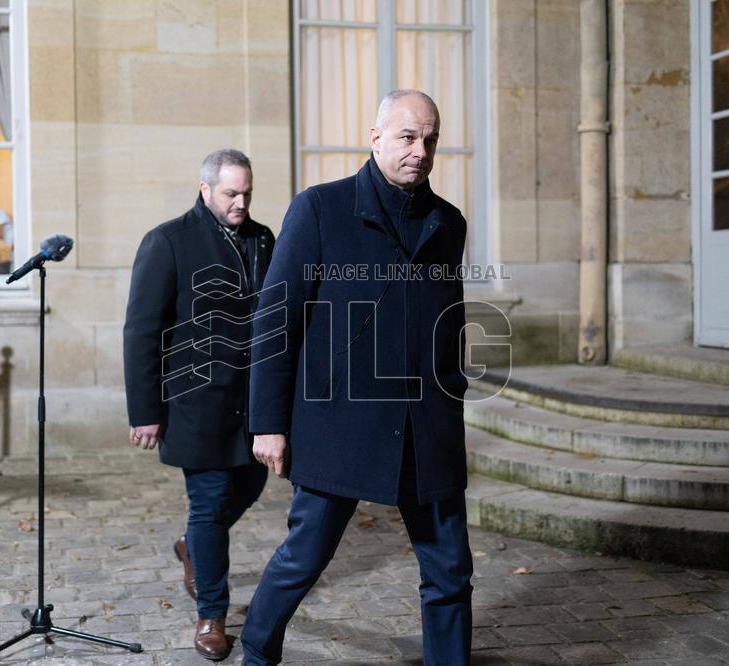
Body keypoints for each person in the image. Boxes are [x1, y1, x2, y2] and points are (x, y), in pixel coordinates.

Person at [242, 90, 473, 665]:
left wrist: (452, 394)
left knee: (450, 571)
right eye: (406, 137)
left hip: (427, 429)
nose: (420, 151)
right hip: (337, 425)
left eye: (430, 139)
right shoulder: (319, 209)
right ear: (373, 138)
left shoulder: (449, 223)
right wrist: (268, 423)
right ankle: (255, 651)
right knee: (304, 558)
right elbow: (277, 320)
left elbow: (450, 322)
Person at [123, 148, 275, 661]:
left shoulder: (262, 239)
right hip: (194, 401)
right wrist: (144, 410)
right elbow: (141, 330)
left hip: (250, 399)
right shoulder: (168, 241)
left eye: (247, 193)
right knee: (209, 504)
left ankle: (193, 545)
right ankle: (211, 614)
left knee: (251, 484)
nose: (241, 202)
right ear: (205, 188)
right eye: (231, 193)